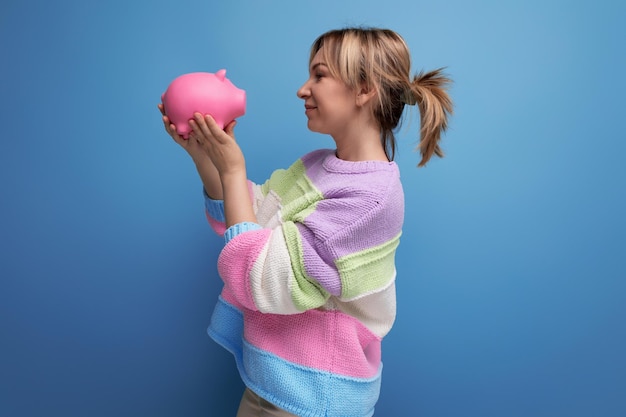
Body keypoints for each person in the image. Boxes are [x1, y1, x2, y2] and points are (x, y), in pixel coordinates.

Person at [159, 27, 453, 417]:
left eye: (319, 74)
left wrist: (232, 171)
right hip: (274, 385)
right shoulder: (318, 164)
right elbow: (252, 216)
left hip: (312, 397)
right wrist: (204, 157)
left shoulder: (371, 198)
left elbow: (263, 277)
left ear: (364, 89)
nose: (303, 89)